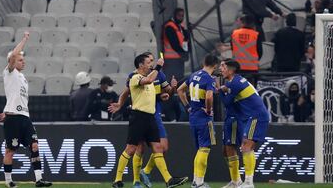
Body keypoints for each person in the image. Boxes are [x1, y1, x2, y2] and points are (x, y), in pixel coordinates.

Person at [111, 54, 187, 188]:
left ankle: (169, 180)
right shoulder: (135, 77)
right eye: (149, 62)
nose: (151, 64)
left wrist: (164, 94)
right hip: (138, 117)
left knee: (158, 148)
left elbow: (154, 94)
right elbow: (146, 81)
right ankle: (117, 180)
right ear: (141, 65)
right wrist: (158, 66)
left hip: (151, 117)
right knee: (131, 149)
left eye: (152, 62)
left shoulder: (151, 79)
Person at [0, 32, 52, 188]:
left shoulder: (22, 77)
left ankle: (39, 179)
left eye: (23, 59)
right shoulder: (9, 72)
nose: (23, 62)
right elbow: (14, 55)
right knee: (10, 151)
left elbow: (15, 97)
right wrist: (24, 39)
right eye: (21, 60)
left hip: (25, 117)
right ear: (13, 61)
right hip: (13, 118)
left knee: (34, 145)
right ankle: (8, 181)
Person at [219, 59, 270, 188]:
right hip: (252, 117)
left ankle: (248, 183)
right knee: (244, 146)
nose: (220, 69)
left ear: (231, 70)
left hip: (257, 116)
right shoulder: (235, 81)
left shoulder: (235, 82)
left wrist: (219, 90)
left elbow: (227, 102)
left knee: (246, 146)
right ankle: (241, 182)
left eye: (223, 66)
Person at [177, 54, 220, 188]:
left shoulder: (193, 75)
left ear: (203, 62)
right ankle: (199, 182)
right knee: (204, 149)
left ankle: (196, 181)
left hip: (193, 116)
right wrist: (208, 110)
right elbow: (209, 97)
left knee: (200, 150)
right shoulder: (209, 79)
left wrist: (188, 107)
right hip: (204, 117)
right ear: (215, 65)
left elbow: (179, 90)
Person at [162, 7, 190, 81]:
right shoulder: (169, 26)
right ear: (175, 15)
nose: (181, 18)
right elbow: (174, 44)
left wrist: (186, 52)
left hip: (179, 58)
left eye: (182, 16)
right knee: (171, 80)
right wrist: (183, 53)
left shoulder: (180, 27)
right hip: (171, 59)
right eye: (179, 15)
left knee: (179, 79)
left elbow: (185, 41)